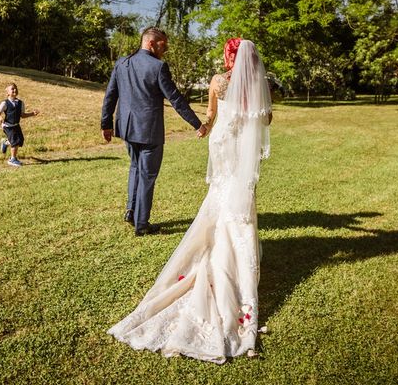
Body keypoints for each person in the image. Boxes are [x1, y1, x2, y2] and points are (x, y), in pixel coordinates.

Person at [108, 39, 273, 364]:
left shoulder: (217, 82)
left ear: (228, 58)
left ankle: (211, 250)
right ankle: (234, 262)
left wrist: (204, 126)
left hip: (222, 144)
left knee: (219, 196)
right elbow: (265, 120)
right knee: (239, 202)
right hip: (241, 149)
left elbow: (211, 114)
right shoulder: (259, 84)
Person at [101, 27, 208, 236]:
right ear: (151, 42)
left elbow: (110, 96)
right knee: (147, 175)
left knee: (135, 168)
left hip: (127, 127)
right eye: (163, 44)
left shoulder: (122, 62)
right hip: (149, 131)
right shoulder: (158, 67)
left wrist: (106, 124)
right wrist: (197, 124)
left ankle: (131, 211)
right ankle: (142, 224)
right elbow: (175, 99)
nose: (165, 48)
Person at [0, 83, 39, 167]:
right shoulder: (5, 103)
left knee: (20, 140)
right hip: (7, 126)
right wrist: (0, 118)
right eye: (12, 89)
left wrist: (32, 114)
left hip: (16, 125)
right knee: (15, 142)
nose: (15, 90)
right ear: (7, 93)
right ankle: (12, 159)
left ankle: (5, 142)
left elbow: (22, 115)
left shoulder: (20, 103)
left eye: (16, 88)